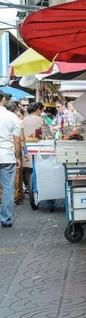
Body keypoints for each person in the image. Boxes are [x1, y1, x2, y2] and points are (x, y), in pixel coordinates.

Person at [0, 90, 22, 227]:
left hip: (7, 156)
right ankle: (5, 219)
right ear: (3, 99)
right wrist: (18, 157)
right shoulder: (11, 116)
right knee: (8, 189)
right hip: (7, 156)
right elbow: (17, 140)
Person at [20, 102, 45, 191]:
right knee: (37, 167)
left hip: (26, 146)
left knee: (27, 169)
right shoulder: (40, 120)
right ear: (38, 109)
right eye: (41, 110)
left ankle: (30, 188)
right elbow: (42, 134)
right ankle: (37, 187)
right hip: (37, 147)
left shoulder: (24, 119)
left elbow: (21, 136)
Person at [4, 101, 24, 204]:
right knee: (10, 183)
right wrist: (18, 156)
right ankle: (15, 197)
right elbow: (18, 140)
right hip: (10, 153)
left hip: (5, 152)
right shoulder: (15, 120)